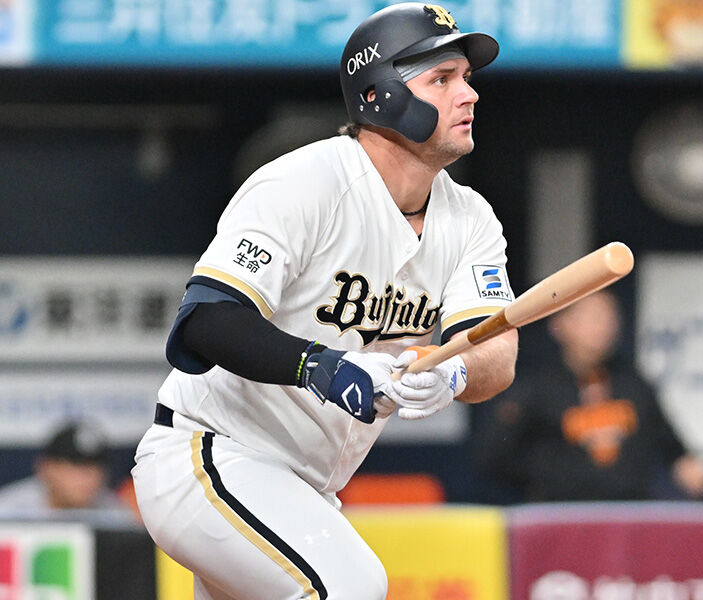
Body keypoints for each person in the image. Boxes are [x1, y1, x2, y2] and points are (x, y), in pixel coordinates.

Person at [131, 4, 518, 600]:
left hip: (302, 487)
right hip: (211, 453)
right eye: (442, 79)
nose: (468, 94)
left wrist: (455, 373)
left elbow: (496, 350)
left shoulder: (470, 218)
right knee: (350, 585)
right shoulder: (306, 182)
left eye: (466, 78)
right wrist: (325, 367)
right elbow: (206, 321)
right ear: (380, 95)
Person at [472, 289, 703, 503]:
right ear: (560, 325)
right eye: (591, 317)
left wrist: (691, 471)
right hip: (561, 516)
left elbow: (672, 449)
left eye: (609, 317)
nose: (602, 327)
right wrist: (545, 481)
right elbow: (493, 455)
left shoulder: (633, 382)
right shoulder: (537, 388)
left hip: (627, 516)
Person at [0, 421, 127, 513]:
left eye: (93, 467)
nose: (86, 477)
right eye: (76, 465)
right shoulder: (9, 510)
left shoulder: (115, 513)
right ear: (46, 467)